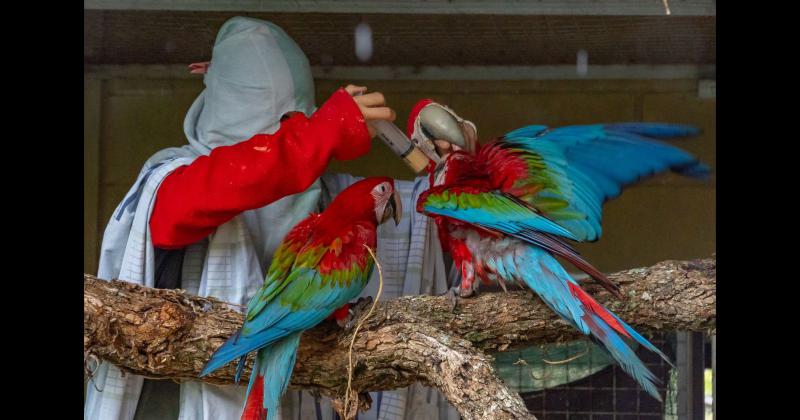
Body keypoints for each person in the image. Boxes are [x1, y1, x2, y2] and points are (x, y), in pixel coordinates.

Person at [85, 16, 458, 420]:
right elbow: (219, 187)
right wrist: (320, 135)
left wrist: (455, 167)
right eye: (282, 129)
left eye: (295, 122)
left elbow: (426, 221)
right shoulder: (169, 178)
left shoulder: (326, 195)